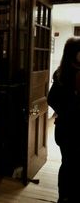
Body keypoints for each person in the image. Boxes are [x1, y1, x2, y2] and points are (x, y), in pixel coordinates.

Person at [47, 37, 80, 203]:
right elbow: (51, 99)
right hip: (67, 129)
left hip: (70, 127)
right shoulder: (62, 73)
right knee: (68, 164)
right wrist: (67, 111)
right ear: (74, 54)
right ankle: (64, 197)